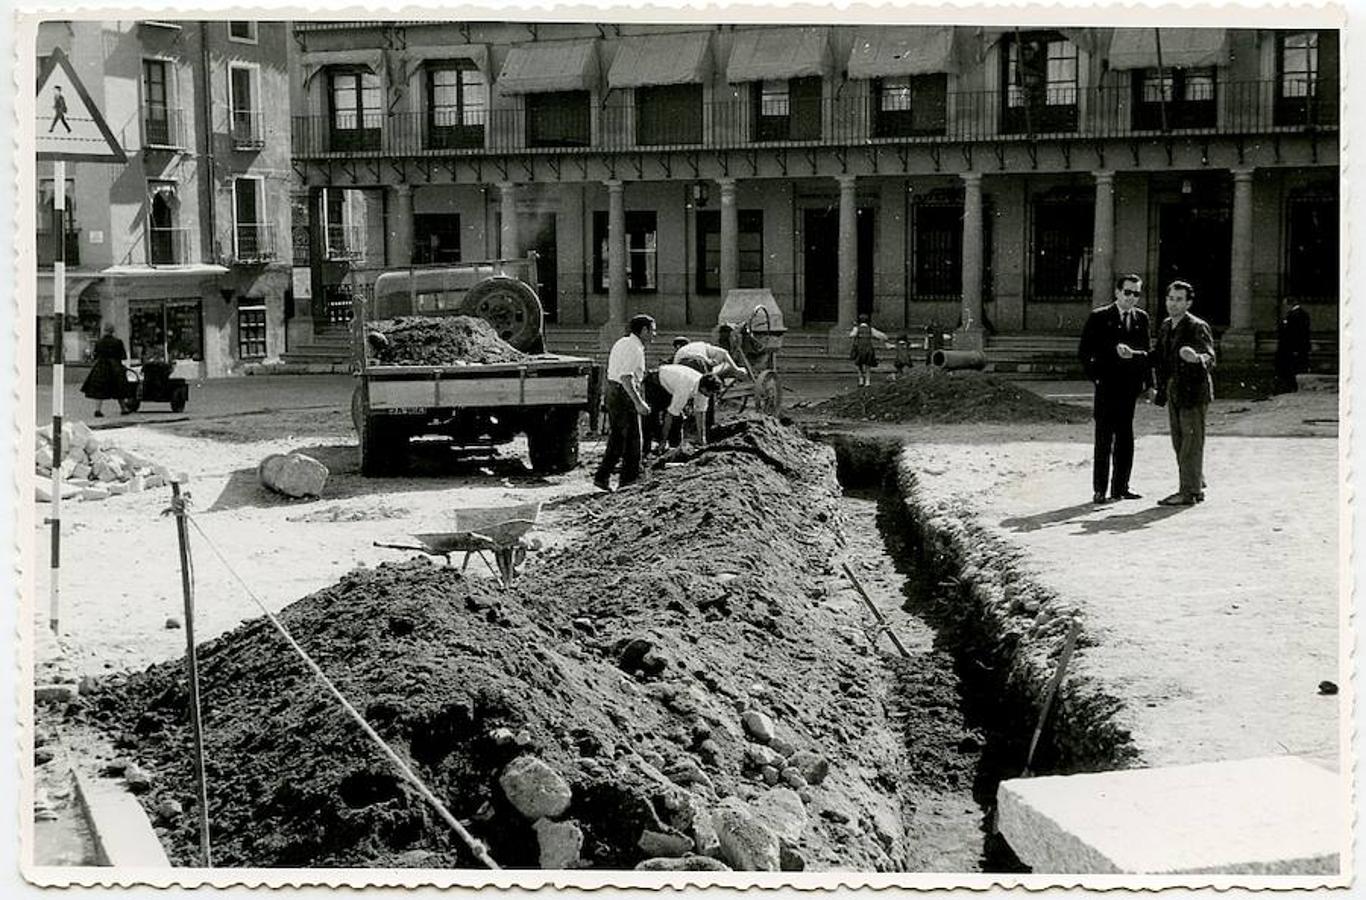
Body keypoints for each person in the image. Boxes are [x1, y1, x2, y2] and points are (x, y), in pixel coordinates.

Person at [1078, 274, 1153, 504]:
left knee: (1125, 438)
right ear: (1117, 292)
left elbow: (1147, 353)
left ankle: (1121, 488)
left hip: (1128, 389)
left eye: (1136, 293)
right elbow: (1084, 352)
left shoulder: (1141, 318)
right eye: (1128, 292)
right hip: (1106, 387)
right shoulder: (1100, 317)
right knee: (1104, 439)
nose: (1131, 298)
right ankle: (1100, 489)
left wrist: (1148, 384)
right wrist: (1097, 379)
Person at [1152, 280, 1216, 506]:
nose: (1173, 304)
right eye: (1171, 298)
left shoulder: (1197, 326)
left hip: (1194, 391)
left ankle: (1188, 491)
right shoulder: (1166, 326)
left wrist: (1196, 358)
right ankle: (1194, 485)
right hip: (1174, 389)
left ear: (1188, 302)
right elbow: (1158, 356)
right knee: (1179, 441)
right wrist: (1135, 355)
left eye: (1179, 300)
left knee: (1191, 441)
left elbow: (1210, 357)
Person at [593, 314, 654, 492]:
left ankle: (602, 477)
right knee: (634, 440)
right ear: (644, 330)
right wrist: (639, 402)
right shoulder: (634, 348)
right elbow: (626, 378)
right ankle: (628, 482)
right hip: (623, 393)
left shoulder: (623, 342)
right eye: (652, 331)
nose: (654, 335)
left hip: (613, 391)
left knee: (618, 438)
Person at [642, 363, 722, 454]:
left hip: (672, 384)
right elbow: (670, 415)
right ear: (704, 388)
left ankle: (675, 448)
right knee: (653, 415)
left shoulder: (703, 389)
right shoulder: (685, 389)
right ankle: (650, 448)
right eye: (711, 393)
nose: (711, 396)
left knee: (678, 418)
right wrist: (663, 441)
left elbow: (700, 413)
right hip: (656, 381)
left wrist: (702, 439)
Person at [80, 322, 128, 418]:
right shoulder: (118, 342)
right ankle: (123, 408)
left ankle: (98, 410)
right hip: (115, 367)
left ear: (104, 331)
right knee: (119, 388)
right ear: (113, 331)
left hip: (101, 367)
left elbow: (96, 355)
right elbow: (123, 356)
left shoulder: (99, 342)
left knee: (99, 389)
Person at [1273, 298, 1312, 394]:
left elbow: (1295, 334)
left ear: (1289, 304)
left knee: (1290, 368)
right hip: (1294, 347)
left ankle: (1289, 387)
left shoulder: (1295, 315)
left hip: (1291, 348)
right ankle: (1289, 386)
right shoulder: (1298, 314)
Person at [673, 339, 748, 381]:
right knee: (708, 384)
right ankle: (710, 407)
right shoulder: (702, 345)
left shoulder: (680, 351)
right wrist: (736, 368)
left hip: (681, 366)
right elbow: (724, 352)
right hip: (698, 363)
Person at [848, 314, 889, 387]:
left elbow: (851, 335)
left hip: (859, 348)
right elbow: (880, 335)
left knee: (859, 364)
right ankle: (867, 381)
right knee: (868, 365)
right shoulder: (871, 329)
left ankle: (861, 379)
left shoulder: (857, 328)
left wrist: (854, 328)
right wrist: (884, 337)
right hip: (868, 348)